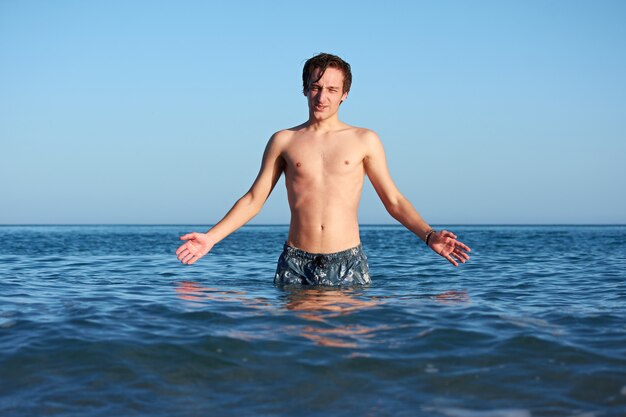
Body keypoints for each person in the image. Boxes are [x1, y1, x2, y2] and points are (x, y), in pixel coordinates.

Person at [176, 53, 471, 285]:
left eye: (331, 89)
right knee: (296, 351)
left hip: (347, 260)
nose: (322, 97)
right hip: (296, 261)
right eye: (316, 87)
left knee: (345, 352)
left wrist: (428, 235)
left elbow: (393, 201)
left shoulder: (364, 140)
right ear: (305, 89)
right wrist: (211, 238)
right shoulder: (284, 140)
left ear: (344, 94)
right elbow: (254, 199)